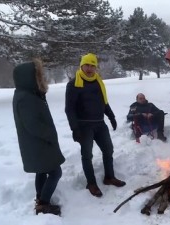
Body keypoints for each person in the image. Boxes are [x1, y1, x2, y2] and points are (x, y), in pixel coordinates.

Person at [65, 53, 126, 197]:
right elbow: (69, 109)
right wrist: (75, 129)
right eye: (87, 65)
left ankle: (109, 177)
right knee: (87, 155)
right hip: (84, 126)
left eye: (93, 66)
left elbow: (103, 102)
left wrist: (111, 116)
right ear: (81, 66)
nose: (90, 68)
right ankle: (91, 183)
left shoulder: (98, 82)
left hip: (100, 124)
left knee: (108, 150)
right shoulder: (73, 84)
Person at [12, 59, 65, 216]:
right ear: (29, 77)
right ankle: (43, 203)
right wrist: (49, 134)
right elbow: (32, 124)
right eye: (38, 75)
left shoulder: (28, 93)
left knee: (41, 171)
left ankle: (40, 199)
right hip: (39, 144)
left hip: (37, 144)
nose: (41, 78)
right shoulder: (25, 98)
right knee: (56, 173)